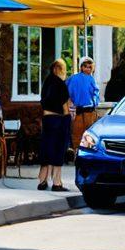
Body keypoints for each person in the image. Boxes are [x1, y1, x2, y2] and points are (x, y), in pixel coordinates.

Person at [38, 59, 71, 192]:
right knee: (59, 149)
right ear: (57, 69)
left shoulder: (46, 83)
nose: (64, 72)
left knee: (46, 148)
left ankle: (43, 180)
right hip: (59, 120)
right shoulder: (61, 84)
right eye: (63, 68)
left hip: (46, 119)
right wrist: (68, 119)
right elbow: (65, 107)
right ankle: (57, 182)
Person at [66, 57, 100, 156]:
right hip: (79, 110)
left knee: (87, 134)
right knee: (78, 133)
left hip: (89, 111)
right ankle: (78, 153)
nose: (88, 69)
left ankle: (85, 154)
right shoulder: (75, 78)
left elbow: (95, 93)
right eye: (86, 67)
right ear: (81, 67)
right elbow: (67, 92)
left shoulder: (91, 79)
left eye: (90, 67)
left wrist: (94, 103)